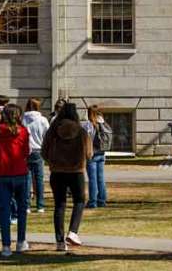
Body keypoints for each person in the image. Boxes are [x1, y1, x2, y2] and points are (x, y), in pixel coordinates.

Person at [42, 102, 93, 251]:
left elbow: (44, 151)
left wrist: (52, 161)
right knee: (79, 200)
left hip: (57, 172)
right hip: (76, 171)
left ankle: (59, 241)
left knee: (59, 204)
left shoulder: (52, 131)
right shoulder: (82, 132)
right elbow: (89, 154)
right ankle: (73, 231)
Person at [0, 104, 31, 257]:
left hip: (2, 173)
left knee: (5, 211)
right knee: (22, 209)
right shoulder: (23, 131)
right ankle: (21, 242)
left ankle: (6, 246)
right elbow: (26, 151)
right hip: (20, 172)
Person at [22, 98, 49, 214]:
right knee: (39, 179)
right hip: (38, 150)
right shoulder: (43, 120)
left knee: (26, 179)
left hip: (25, 151)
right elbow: (47, 135)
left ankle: (26, 205)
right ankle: (40, 205)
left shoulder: (22, 119)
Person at [81, 106, 108, 208]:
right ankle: (102, 200)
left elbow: (85, 139)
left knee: (92, 179)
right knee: (101, 178)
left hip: (92, 153)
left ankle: (93, 202)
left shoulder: (88, 125)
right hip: (102, 153)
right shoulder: (103, 123)